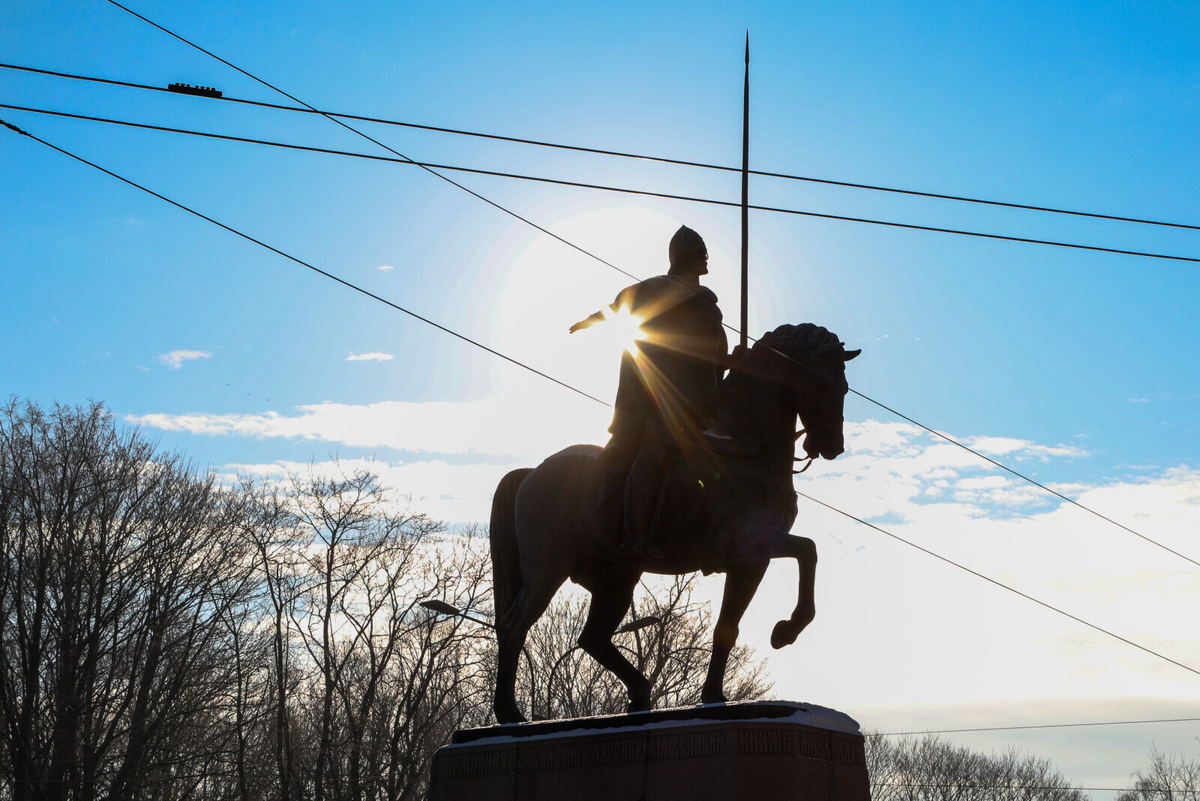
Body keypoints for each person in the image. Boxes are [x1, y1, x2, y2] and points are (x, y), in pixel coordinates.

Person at [569, 225, 728, 559]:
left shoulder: (711, 309)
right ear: (684, 256)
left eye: (705, 251)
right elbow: (619, 309)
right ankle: (637, 535)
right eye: (699, 251)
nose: (705, 256)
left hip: (696, 403)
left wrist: (735, 362)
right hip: (655, 397)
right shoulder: (656, 289)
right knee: (653, 453)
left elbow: (713, 359)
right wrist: (590, 321)